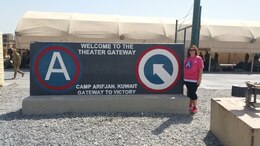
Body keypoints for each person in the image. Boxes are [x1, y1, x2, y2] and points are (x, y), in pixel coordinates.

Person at [184, 45, 204, 113]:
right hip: (186, 79)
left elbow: (200, 69)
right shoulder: (187, 59)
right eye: (190, 50)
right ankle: (190, 105)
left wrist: (199, 79)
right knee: (189, 93)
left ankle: (195, 106)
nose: (191, 51)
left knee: (192, 93)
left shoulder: (198, 58)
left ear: (195, 51)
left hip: (194, 79)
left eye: (193, 50)